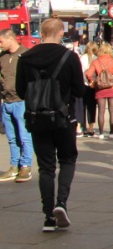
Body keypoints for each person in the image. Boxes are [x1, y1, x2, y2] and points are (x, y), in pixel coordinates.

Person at [16, 18, 86, 231]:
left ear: (42, 32)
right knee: (67, 159)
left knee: (45, 167)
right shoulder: (69, 56)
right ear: (61, 32)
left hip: (37, 118)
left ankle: (48, 216)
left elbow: (21, 91)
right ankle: (61, 203)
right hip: (64, 118)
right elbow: (79, 90)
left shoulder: (25, 57)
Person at [0, 29, 31, 182]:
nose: (0, 45)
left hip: (21, 101)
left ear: (10, 39)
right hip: (6, 101)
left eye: (1, 41)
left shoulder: (25, 54)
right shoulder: (3, 56)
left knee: (24, 136)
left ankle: (25, 166)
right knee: (11, 138)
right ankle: (14, 166)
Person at [85, 43, 113, 140]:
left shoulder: (96, 61)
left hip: (100, 88)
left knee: (101, 111)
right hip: (112, 88)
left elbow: (88, 74)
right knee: (112, 111)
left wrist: (92, 82)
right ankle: (111, 132)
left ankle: (101, 133)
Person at [79, 42, 99, 137]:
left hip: (83, 84)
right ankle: (90, 128)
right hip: (93, 85)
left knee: (82, 106)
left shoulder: (82, 58)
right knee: (92, 107)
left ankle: (82, 127)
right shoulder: (96, 58)